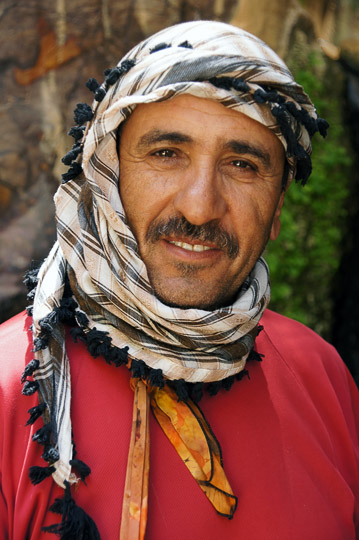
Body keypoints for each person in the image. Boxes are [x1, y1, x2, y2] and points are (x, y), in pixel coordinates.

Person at [1, 20, 358, 540]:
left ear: (277, 207)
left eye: (242, 164)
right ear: (106, 177)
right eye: (167, 154)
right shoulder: (12, 391)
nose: (199, 206)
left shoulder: (320, 375)